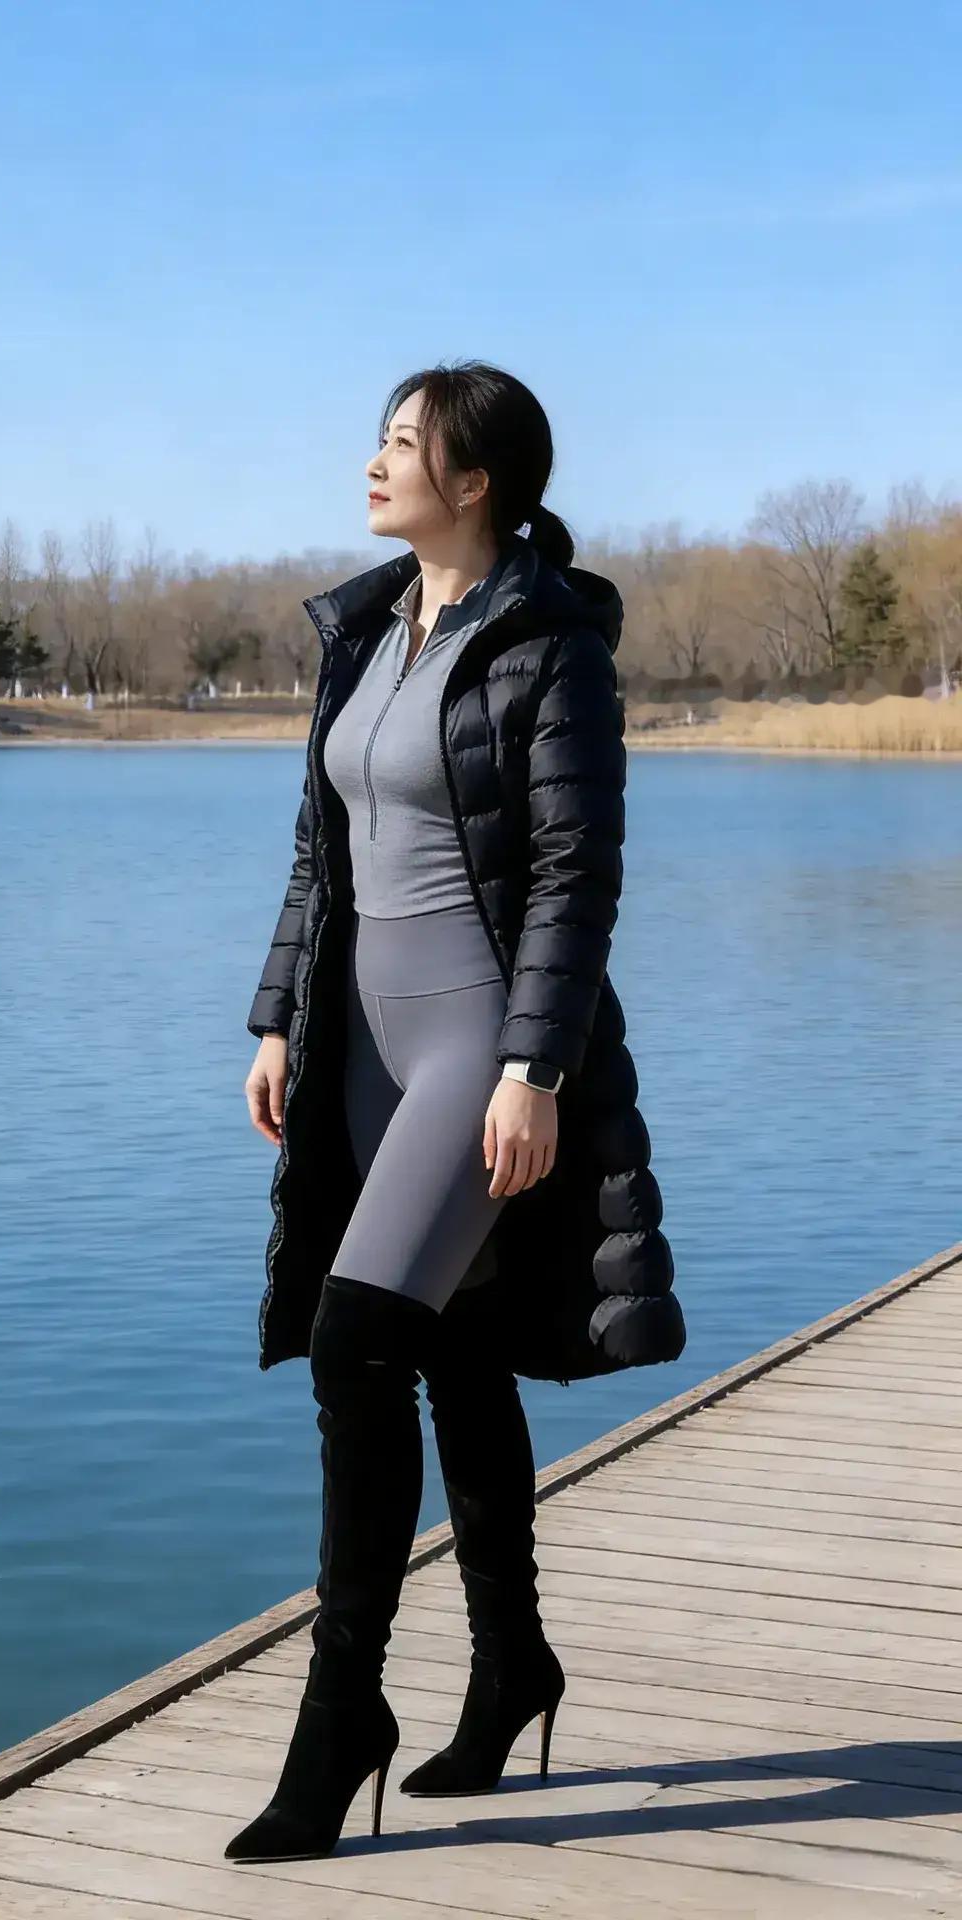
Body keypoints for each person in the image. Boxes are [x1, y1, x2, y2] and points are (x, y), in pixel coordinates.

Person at [232, 360, 679, 1864]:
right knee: (454, 1351)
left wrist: (533, 1070)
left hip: (476, 1043)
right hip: (359, 1046)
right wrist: (277, 1018)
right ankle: (511, 1666)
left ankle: (341, 1711)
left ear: (474, 481)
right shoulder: (366, 630)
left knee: (356, 1340)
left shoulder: (553, 648)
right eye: (377, 439)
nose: (373, 462)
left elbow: (574, 876)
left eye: (401, 444)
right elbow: (321, 850)